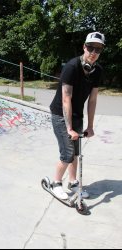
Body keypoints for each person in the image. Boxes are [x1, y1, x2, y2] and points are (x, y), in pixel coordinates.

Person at [50, 32, 105, 200]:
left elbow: (93, 100)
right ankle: (56, 184)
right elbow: (66, 99)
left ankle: (73, 183)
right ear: (84, 47)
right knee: (67, 153)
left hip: (77, 115)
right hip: (60, 114)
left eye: (98, 49)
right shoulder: (71, 67)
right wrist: (69, 128)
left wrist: (90, 126)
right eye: (90, 48)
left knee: (76, 153)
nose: (93, 52)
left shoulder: (97, 71)